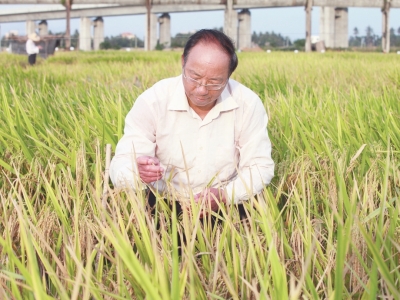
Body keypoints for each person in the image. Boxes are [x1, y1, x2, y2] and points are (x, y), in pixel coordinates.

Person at [110, 29, 274, 219]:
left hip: (226, 204)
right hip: (162, 203)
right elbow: (119, 165)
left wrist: (225, 196)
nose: (202, 90)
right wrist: (137, 173)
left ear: (229, 75)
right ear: (183, 62)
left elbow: (260, 167)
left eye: (214, 82)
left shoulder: (247, 104)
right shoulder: (153, 101)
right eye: (194, 77)